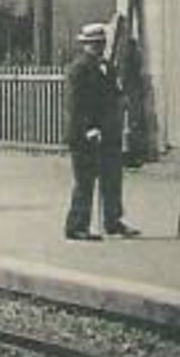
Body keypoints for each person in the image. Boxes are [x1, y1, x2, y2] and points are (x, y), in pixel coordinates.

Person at [64, 23, 140, 240]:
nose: (98, 47)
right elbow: (75, 104)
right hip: (84, 135)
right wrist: (88, 128)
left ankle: (113, 221)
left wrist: (121, 99)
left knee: (112, 179)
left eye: (101, 43)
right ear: (85, 45)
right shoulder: (78, 69)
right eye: (93, 44)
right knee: (85, 181)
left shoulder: (107, 66)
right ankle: (77, 227)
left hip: (108, 133)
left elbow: (113, 93)